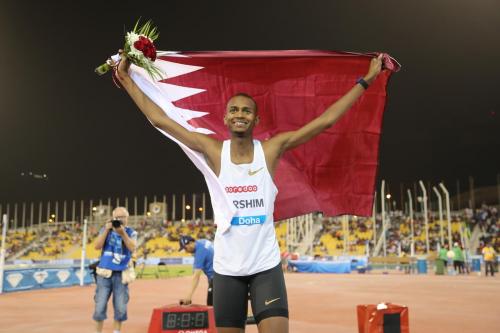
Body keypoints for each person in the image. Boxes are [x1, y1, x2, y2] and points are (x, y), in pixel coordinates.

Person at [114, 51, 383, 333]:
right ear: (226, 118)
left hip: (265, 266)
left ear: (256, 120)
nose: (239, 114)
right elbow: (161, 120)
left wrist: (365, 81)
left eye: (246, 111)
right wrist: (127, 80)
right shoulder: (214, 150)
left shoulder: (270, 150)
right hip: (228, 270)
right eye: (234, 110)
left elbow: (325, 121)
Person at [92, 207, 137, 333]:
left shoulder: (131, 232)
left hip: (121, 274)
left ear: (127, 218)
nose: (120, 219)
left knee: (120, 307)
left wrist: (123, 233)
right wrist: (106, 229)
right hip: (104, 273)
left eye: (123, 217)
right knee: (99, 306)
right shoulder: (106, 229)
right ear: (113, 218)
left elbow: (132, 248)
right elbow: (97, 246)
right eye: (117, 217)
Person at [178, 235, 215, 306]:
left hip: (216, 278)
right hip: (220, 276)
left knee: (211, 306)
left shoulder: (200, 251)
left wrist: (189, 296)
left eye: (185, 248)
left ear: (190, 243)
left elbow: (196, 276)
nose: (186, 251)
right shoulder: (203, 241)